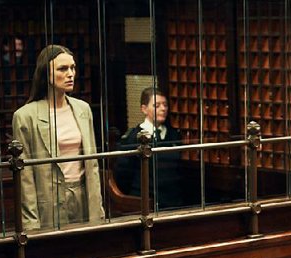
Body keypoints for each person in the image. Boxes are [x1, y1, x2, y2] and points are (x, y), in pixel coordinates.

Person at [12, 44, 104, 230]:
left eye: (73, 68)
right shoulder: (25, 116)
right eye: (63, 69)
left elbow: (92, 164)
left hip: (83, 194)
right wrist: (31, 222)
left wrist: (98, 209)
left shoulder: (82, 109)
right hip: (50, 196)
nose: (70, 74)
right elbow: (25, 177)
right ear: (46, 73)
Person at [116, 87, 188, 208]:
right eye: (157, 105)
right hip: (144, 199)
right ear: (144, 109)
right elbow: (123, 173)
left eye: (165, 105)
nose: (163, 109)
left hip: (172, 199)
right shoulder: (133, 137)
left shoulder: (174, 134)